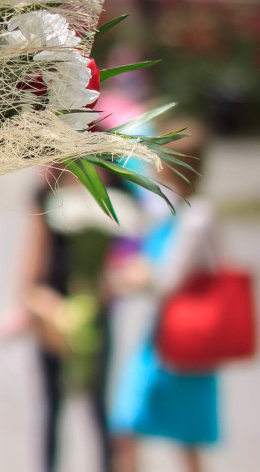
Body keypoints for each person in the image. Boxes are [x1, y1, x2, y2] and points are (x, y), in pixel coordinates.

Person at [1, 165, 140, 472]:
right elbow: (29, 280)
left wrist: (108, 286)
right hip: (53, 321)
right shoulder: (47, 198)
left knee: (99, 408)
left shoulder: (119, 199)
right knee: (52, 409)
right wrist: (55, 313)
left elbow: (134, 259)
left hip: (96, 320)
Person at [108, 123, 220, 472]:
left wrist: (137, 277)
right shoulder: (171, 207)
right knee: (138, 427)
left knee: (153, 428)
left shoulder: (196, 217)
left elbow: (169, 280)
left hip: (182, 340)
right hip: (162, 337)